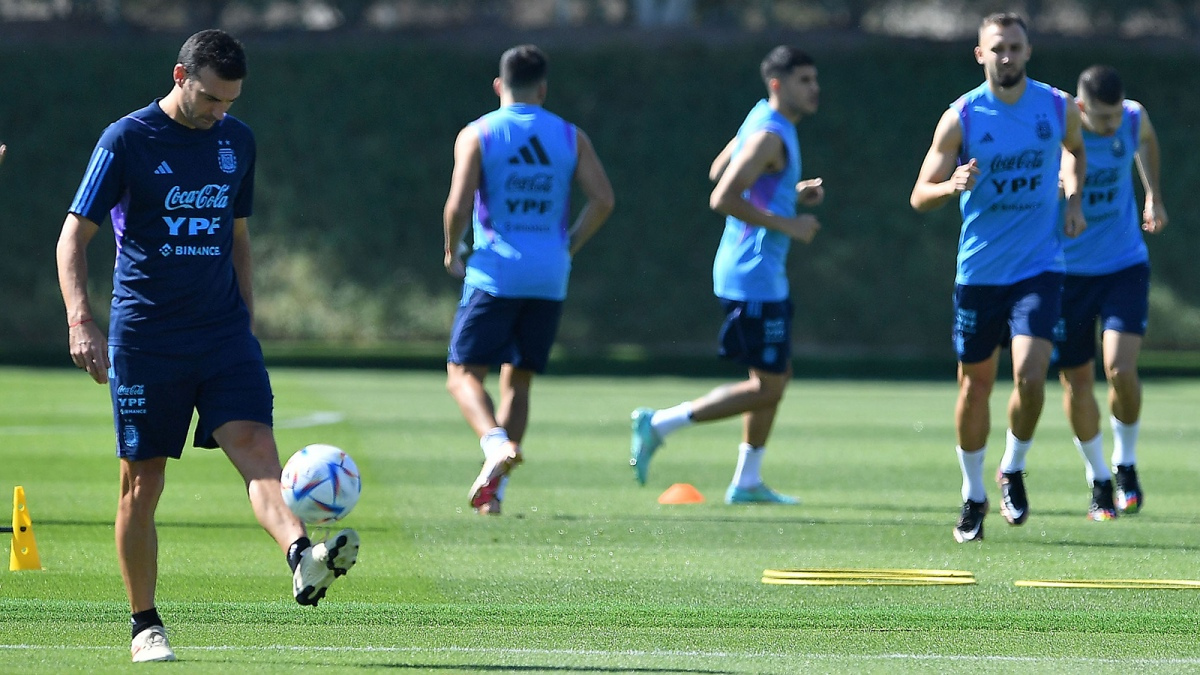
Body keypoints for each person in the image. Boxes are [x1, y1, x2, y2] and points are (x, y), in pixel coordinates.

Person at [55, 30, 359, 663]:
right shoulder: (126, 140)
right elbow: (72, 239)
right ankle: (145, 625)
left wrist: (244, 320)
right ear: (179, 76)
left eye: (231, 101)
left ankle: (302, 556)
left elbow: (237, 237)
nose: (221, 111)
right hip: (147, 337)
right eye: (212, 98)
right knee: (143, 484)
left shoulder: (237, 142)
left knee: (256, 450)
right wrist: (82, 319)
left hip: (222, 334)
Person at [908, 13, 1087, 543]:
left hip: (1039, 268)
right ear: (979, 54)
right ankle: (972, 495)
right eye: (997, 48)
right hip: (980, 271)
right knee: (975, 386)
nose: (1007, 56)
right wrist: (952, 185)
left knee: (1031, 377)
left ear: (1029, 51)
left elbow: (1076, 151)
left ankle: (1012, 467)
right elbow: (919, 193)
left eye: (1015, 47)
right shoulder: (961, 116)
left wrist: (1073, 199)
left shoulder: (1056, 106)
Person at [629, 45, 823, 505]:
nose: (814, 89)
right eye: (804, 81)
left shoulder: (762, 120)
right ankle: (660, 423)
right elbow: (722, 195)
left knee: (774, 377)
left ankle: (747, 481)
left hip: (759, 271)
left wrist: (789, 195)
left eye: (814, 80)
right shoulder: (769, 135)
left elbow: (723, 170)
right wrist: (789, 223)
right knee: (769, 385)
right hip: (751, 273)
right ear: (777, 85)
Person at [443, 44, 614, 516]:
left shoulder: (478, 133)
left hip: (496, 271)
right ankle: (494, 492)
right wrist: (568, 246)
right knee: (517, 381)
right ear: (543, 89)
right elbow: (603, 199)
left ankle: (494, 443)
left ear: (499, 86)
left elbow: (458, 204)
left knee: (462, 375)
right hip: (550, 275)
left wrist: (450, 248)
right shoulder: (569, 135)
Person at [1055, 65, 1166, 521]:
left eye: (1116, 114)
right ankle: (1098, 479)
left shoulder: (1133, 117)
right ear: (1081, 109)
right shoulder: (1058, 125)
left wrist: (1152, 194)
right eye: (1102, 119)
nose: (1112, 125)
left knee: (1120, 368)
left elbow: (1148, 144)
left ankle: (1125, 462)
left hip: (1123, 263)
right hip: (1065, 274)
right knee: (1077, 382)